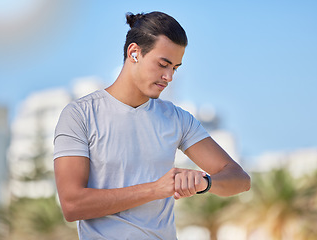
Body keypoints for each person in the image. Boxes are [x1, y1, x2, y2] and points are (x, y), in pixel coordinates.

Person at [54, 11, 250, 240]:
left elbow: (240, 179)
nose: (169, 77)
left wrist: (204, 183)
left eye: (175, 68)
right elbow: (72, 204)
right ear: (134, 53)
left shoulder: (177, 119)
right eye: (163, 64)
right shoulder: (80, 115)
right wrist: (156, 189)